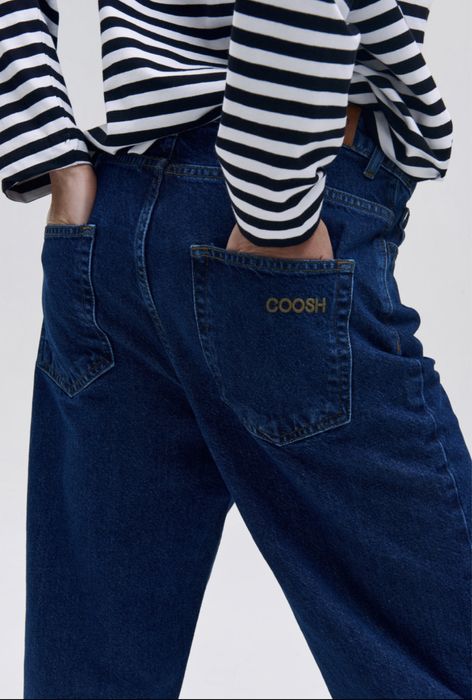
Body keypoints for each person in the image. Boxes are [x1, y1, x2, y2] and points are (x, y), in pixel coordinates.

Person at [0, 1, 470, 698]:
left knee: (88, 677)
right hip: (279, 212)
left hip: (108, 228)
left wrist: (47, 151)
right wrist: (275, 202)